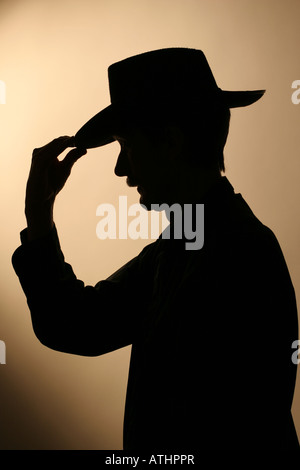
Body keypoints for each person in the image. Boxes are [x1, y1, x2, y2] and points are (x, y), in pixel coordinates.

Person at [12, 48, 299, 450]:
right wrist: (39, 219)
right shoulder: (179, 250)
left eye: (127, 145)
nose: (120, 169)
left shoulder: (240, 256)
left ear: (170, 143)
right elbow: (77, 324)